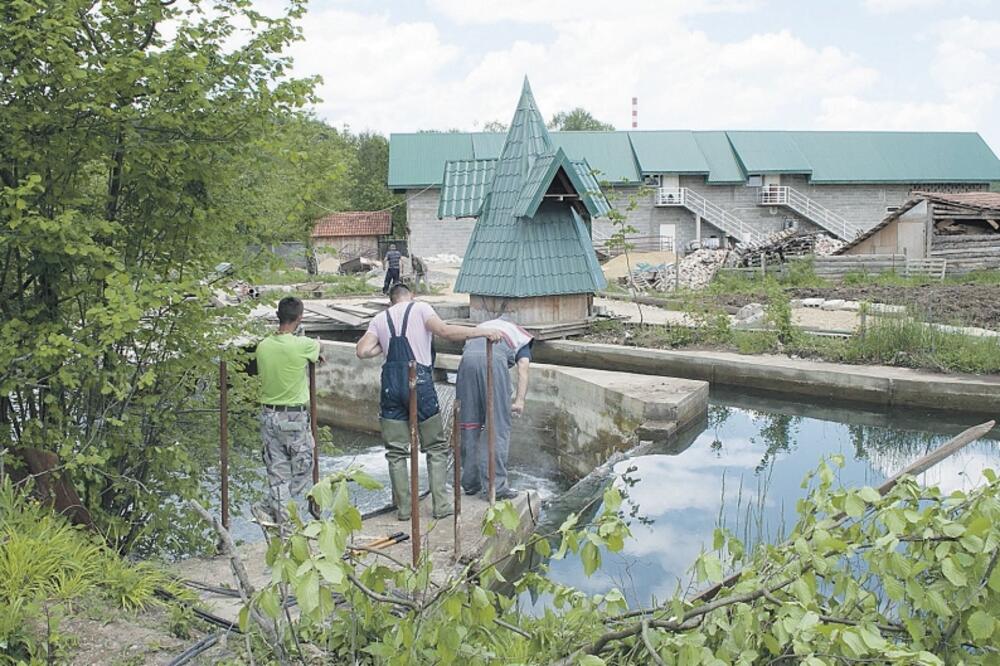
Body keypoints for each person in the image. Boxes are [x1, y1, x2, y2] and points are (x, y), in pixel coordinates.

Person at [355, 284, 501, 520]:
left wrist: (383, 345)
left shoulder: (380, 318)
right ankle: (441, 505)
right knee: (435, 447)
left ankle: (404, 510)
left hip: (391, 387)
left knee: (396, 452)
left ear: (390, 301)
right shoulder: (421, 308)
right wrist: (481, 332)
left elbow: (362, 351)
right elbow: (444, 331)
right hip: (420, 383)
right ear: (411, 296)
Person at [254, 296, 323, 524]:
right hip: (293, 416)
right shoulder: (303, 345)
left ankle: (277, 515)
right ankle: (272, 509)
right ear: (300, 318)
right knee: (304, 466)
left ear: (278, 316)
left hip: (268, 415)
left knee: (277, 473)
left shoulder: (263, 346)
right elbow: (316, 349)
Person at [457, 316, 533, 500]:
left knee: (469, 425)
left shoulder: (482, 326)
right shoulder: (522, 336)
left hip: (466, 363)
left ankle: (470, 483)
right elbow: (523, 368)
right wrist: (519, 401)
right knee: (496, 426)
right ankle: (496, 487)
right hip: (493, 360)